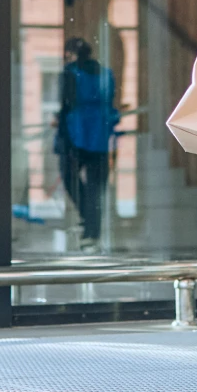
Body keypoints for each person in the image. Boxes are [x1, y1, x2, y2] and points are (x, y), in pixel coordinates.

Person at [55, 38, 118, 253]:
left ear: (71, 54)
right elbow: (110, 101)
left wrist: (61, 134)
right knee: (95, 189)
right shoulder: (106, 74)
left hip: (76, 133)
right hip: (100, 135)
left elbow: (66, 104)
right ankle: (92, 233)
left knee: (69, 177)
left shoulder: (70, 73)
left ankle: (87, 221)